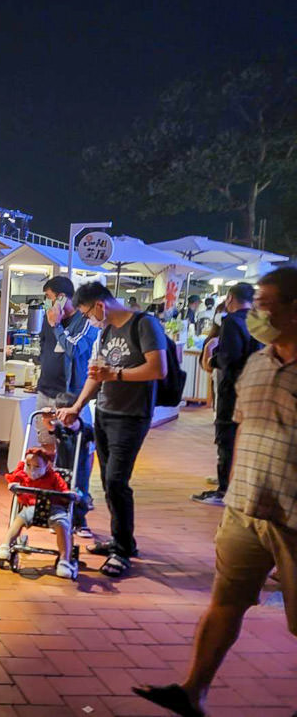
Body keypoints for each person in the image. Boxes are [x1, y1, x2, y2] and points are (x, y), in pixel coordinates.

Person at [133, 266, 297, 717]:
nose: (255, 313)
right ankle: (192, 691)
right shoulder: (259, 362)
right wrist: (234, 486)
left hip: (293, 516)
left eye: (265, 304)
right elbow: (244, 427)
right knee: (226, 603)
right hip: (246, 508)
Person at [58, 282, 166, 578]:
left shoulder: (145, 325)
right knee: (107, 480)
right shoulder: (105, 331)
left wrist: (115, 374)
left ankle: (122, 550)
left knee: (118, 480)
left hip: (132, 416)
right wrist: (77, 406)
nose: (89, 319)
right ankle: (123, 541)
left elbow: (158, 369)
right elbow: (96, 375)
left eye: (87, 313)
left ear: (100, 306)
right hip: (105, 412)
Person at [192, 283, 262, 507]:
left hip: (231, 389)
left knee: (225, 435)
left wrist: (213, 358)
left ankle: (223, 489)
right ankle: (229, 479)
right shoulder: (257, 322)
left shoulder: (232, 321)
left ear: (230, 298)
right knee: (237, 437)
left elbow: (229, 358)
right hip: (251, 388)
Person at [0, 447, 76, 579]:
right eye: (28, 465)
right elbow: (14, 479)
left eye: (37, 466)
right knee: (18, 520)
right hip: (32, 507)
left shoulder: (54, 477)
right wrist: (14, 485)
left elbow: (64, 490)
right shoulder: (23, 474)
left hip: (54, 508)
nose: (32, 469)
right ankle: (5, 545)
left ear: (47, 466)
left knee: (62, 525)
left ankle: (64, 560)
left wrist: (70, 495)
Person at [37, 276, 98, 413]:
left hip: (70, 394)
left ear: (61, 297)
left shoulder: (86, 319)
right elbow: (43, 344)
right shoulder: (49, 317)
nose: (47, 302)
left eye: (48, 297)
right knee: (44, 433)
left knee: (72, 432)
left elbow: (74, 350)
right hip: (44, 390)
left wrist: (56, 325)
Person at [52, 391, 96, 538]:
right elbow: (49, 426)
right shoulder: (59, 428)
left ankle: (80, 522)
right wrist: (47, 416)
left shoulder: (86, 428)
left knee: (80, 493)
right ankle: (60, 519)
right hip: (61, 465)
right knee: (60, 492)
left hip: (80, 467)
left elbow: (95, 443)